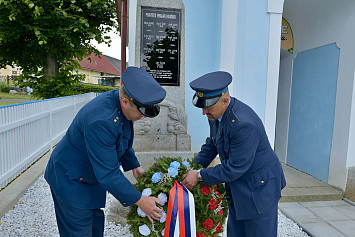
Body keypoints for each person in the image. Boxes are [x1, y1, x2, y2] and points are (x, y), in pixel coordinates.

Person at [44, 66, 166, 236]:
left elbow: (121, 138)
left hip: (90, 177)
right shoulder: (102, 120)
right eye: (142, 111)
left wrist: (134, 166)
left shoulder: (122, 103)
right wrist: (140, 201)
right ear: (125, 102)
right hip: (71, 180)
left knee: (94, 230)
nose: (144, 116)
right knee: (79, 232)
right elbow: (108, 174)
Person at [182, 71, 286, 237]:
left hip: (259, 188)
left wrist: (199, 175)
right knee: (236, 232)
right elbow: (213, 144)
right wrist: (190, 168)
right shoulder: (216, 113)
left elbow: (235, 168)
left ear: (225, 100)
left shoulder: (243, 124)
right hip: (239, 187)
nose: (204, 113)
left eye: (208, 108)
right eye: (203, 107)